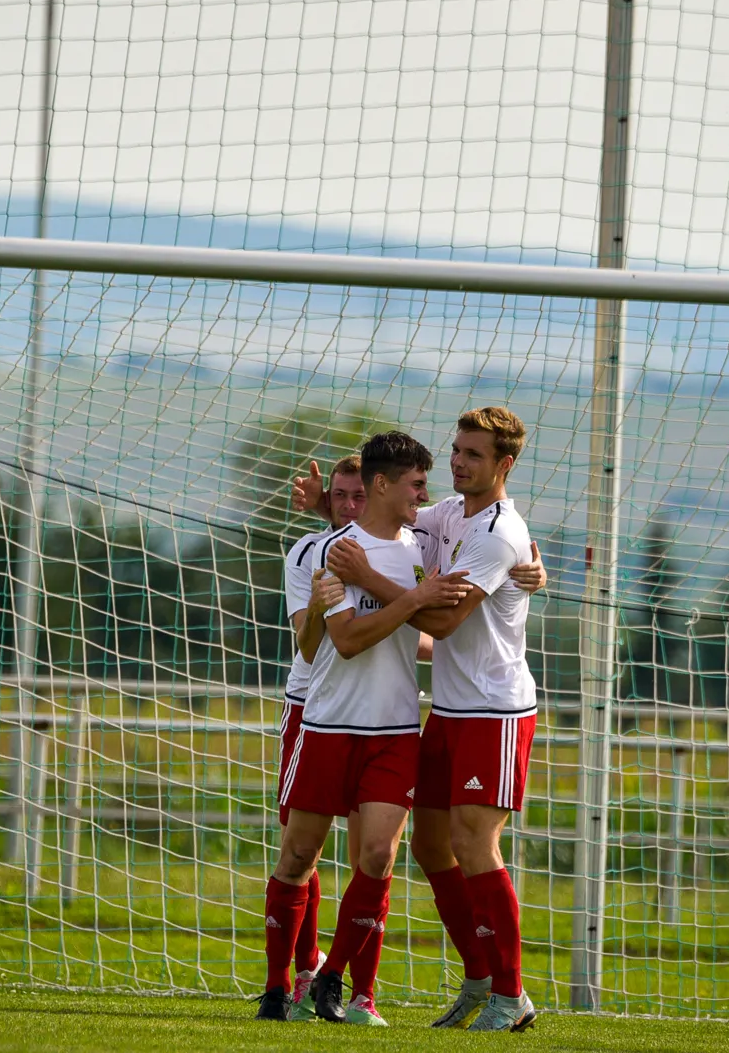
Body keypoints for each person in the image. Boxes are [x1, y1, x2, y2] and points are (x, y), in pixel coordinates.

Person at [314, 407, 541, 1032]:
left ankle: (511, 996)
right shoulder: (447, 514)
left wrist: (368, 579)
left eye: (473, 455)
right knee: (431, 846)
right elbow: (387, 511)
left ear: (504, 464)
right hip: (448, 709)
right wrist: (324, 509)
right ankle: (479, 976)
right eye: (457, 450)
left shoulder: (498, 532)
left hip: (495, 710)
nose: (458, 463)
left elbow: (440, 622)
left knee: (474, 844)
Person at [272, 431, 458, 1027]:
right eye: (416, 484)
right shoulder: (334, 551)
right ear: (385, 484)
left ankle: (342, 983)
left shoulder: (422, 545)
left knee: (377, 855)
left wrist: (529, 567)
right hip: (328, 724)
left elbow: (475, 532)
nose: (424, 495)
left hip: (397, 727)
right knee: (299, 853)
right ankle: (279, 989)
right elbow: (346, 641)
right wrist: (414, 599)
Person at [257, 455, 368, 1021]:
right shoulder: (306, 553)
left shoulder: (407, 548)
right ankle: (296, 976)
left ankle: (360, 992)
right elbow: (307, 640)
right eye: (339, 496)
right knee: (300, 846)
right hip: (310, 705)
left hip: (378, 711)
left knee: (373, 853)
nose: (348, 506)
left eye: (358, 496)